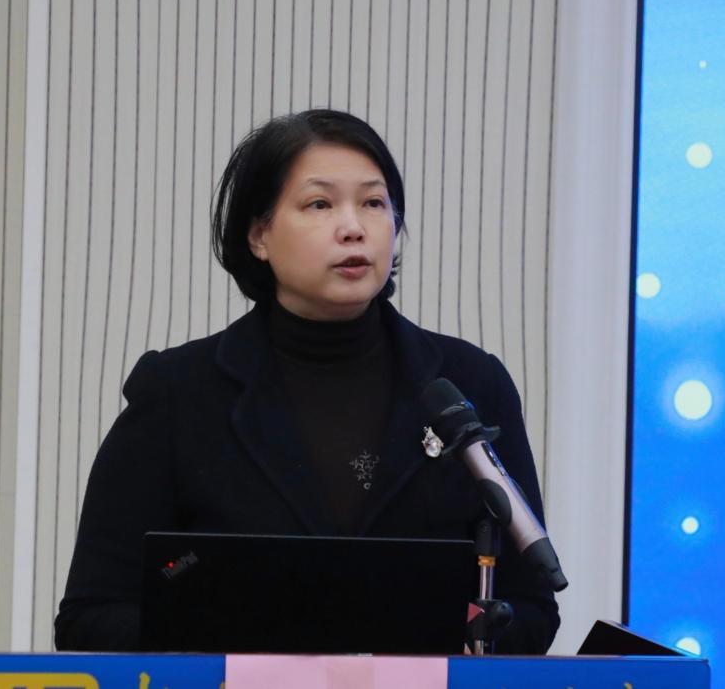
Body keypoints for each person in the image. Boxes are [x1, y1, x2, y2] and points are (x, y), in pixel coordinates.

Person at [55, 109, 561, 654]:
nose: (353, 227)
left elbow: (532, 606)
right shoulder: (178, 393)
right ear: (259, 235)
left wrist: (456, 639)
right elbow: (90, 618)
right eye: (320, 204)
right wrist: (240, 645)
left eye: (373, 203)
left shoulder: (469, 383)